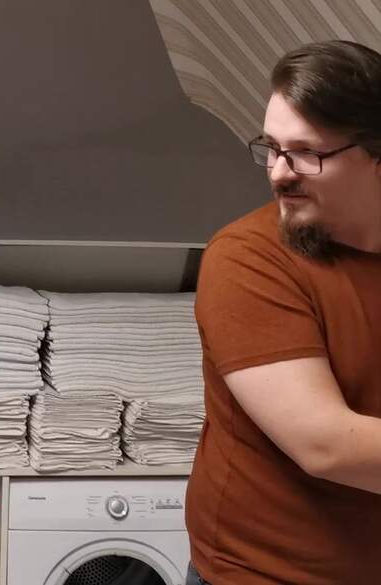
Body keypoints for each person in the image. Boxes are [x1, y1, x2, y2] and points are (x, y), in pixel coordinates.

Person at [185, 39, 381, 585]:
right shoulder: (247, 259)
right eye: (271, 148)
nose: (278, 173)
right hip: (265, 573)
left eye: (306, 153)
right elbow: (326, 445)